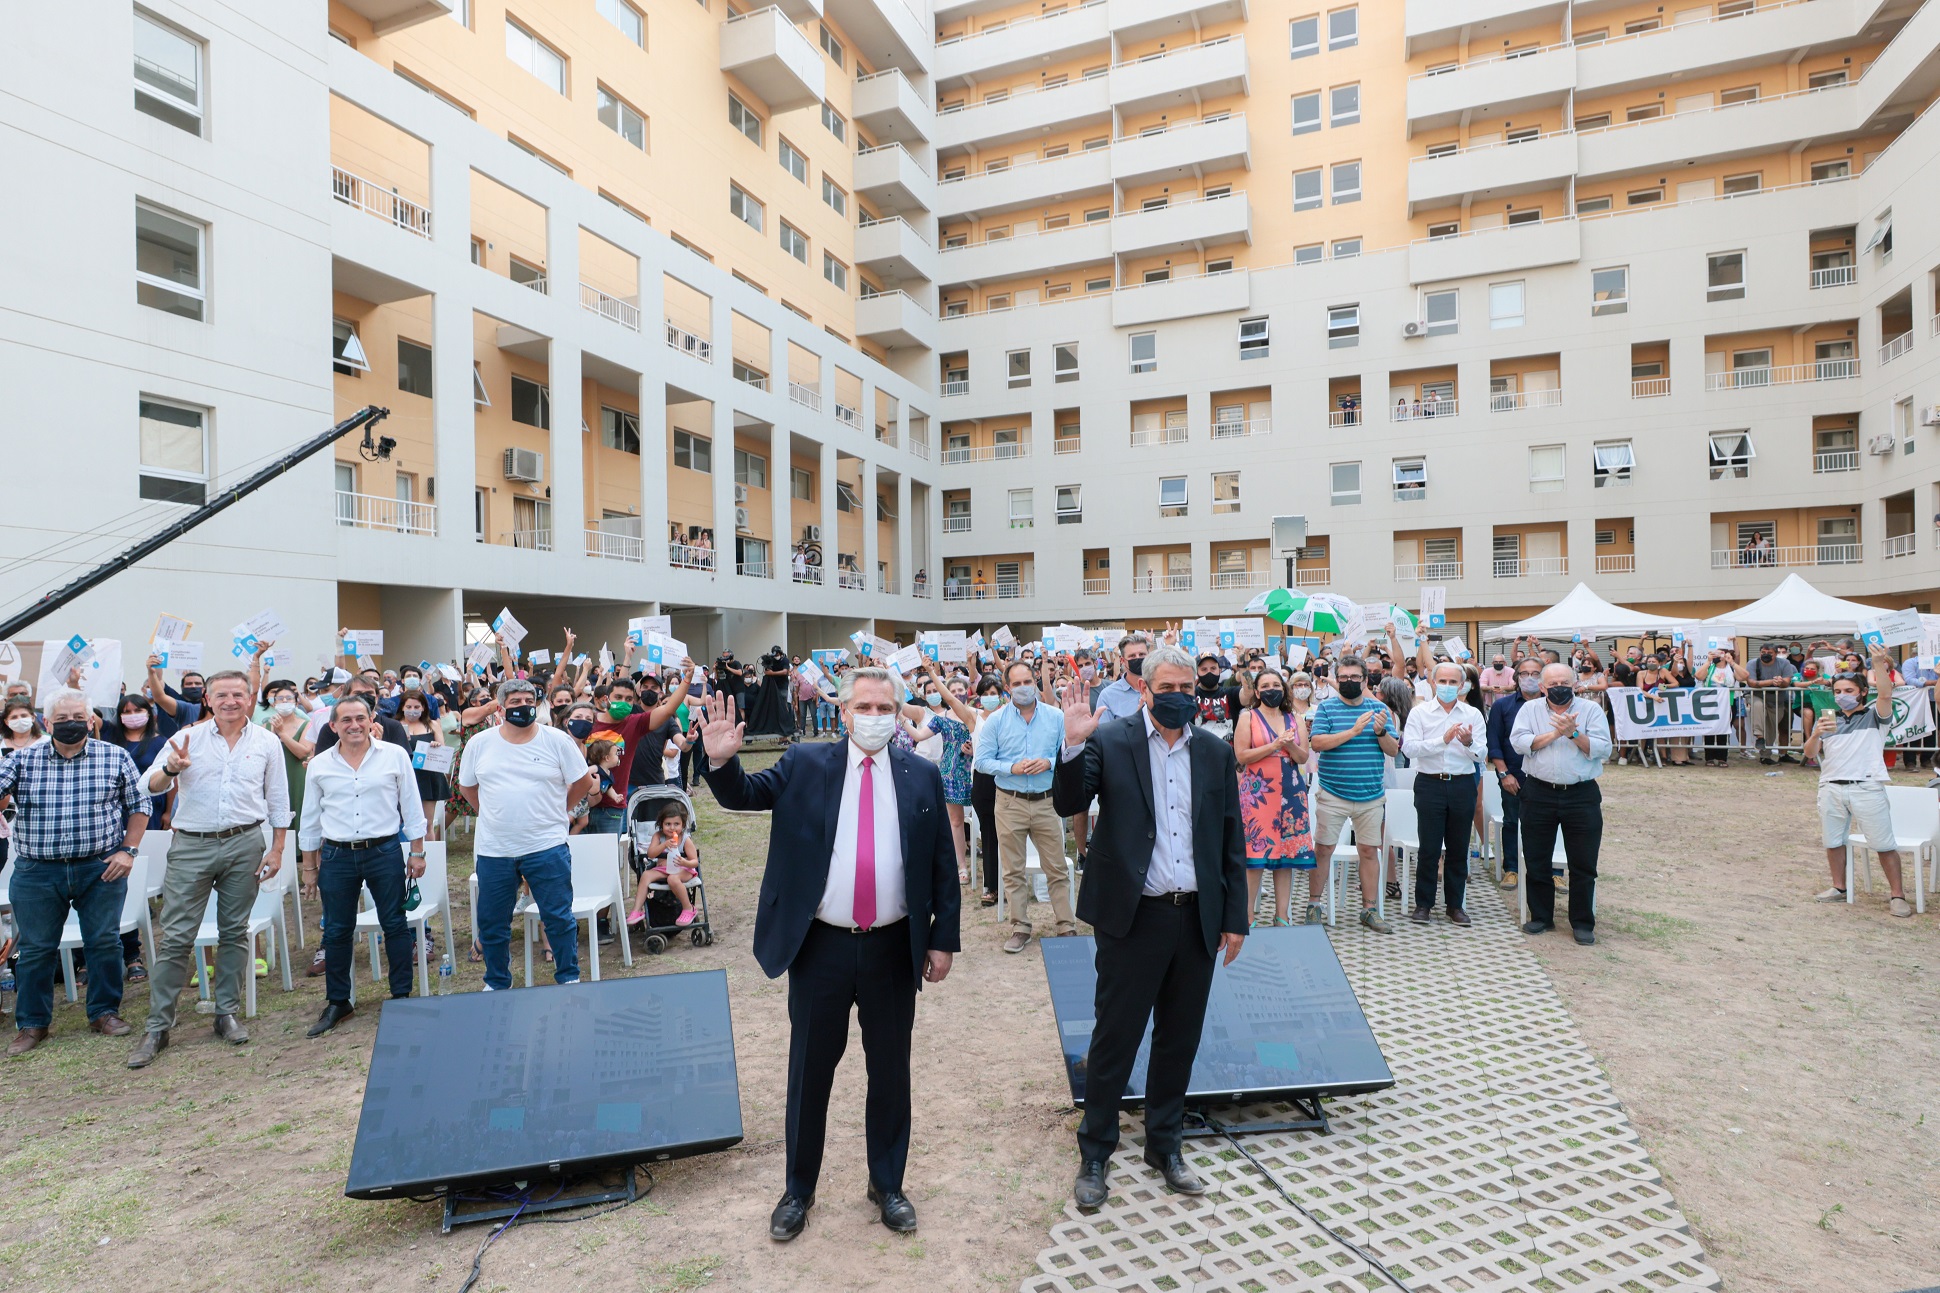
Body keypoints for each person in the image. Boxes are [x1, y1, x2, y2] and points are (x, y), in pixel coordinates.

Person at [697, 668, 959, 1240]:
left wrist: (943, 939)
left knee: (890, 1071)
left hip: (894, 947)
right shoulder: (805, 763)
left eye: (885, 706)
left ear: (898, 711)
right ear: (843, 713)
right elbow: (746, 796)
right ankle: (798, 1190)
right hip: (822, 948)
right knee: (810, 1072)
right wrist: (720, 762)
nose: (875, 715)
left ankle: (887, 1184)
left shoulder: (922, 775)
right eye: (863, 705)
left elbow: (942, 862)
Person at [1054, 645, 1246, 1209]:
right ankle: (1095, 1153)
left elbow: (1229, 837)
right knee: (1115, 1038)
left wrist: (1234, 917)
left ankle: (1165, 1145)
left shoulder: (1212, 751)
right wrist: (1071, 741)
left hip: (1196, 919)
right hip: (1133, 918)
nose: (1180, 698)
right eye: (1168, 688)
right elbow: (1069, 798)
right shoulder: (1111, 741)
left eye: (1188, 689)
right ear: (1143, 688)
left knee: (1179, 1038)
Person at [126, 670, 289, 1067]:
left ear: (250, 699)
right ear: (208, 700)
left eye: (238, 694)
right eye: (222, 695)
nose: (230, 700)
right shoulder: (187, 738)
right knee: (177, 936)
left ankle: (226, 1013)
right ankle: (158, 1026)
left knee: (235, 932)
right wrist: (172, 769)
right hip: (192, 845)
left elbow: (278, 800)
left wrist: (278, 848)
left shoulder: (267, 742)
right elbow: (149, 785)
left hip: (245, 843)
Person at [0, 689, 151, 1056]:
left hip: (99, 867)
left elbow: (139, 805)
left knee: (103, 942)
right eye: (62, 719)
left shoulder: (114, 757)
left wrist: (129, 851)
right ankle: (33, 1023)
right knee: (36, 950)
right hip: (38, 871)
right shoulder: (22, 759)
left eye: (78, 717)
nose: (72, 724)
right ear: (46, 723)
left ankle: (103, 1012)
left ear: (92, 720)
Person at [296, 694, 428, 1037]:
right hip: (337, 856)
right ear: (333, 726)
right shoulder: (321, 764)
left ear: (372, 721)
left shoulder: (394, 756)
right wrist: (309, 867)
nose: (354, 725)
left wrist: (417, 851)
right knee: (337, 930)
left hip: (383, 851)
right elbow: (310, 818)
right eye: (346, 720)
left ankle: (401, 996)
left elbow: (411, 805)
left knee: (395, 925)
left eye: (360, 718)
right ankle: (339, 1002)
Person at [458, 678, 595, 990]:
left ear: (536, 704)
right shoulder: (480, 743)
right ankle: (496, 982)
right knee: (493, 923)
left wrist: (561, 810)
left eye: (528, 701)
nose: (522, 707)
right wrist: (491, 812)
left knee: (558, 918)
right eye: (515, 702)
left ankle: (568, 977)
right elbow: (467, 786)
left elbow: (583, 781)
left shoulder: (556, 740)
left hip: (546, 846)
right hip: (495, 849)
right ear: (501, 707)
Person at [1805, 646, 1913, 916]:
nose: (1842, 697)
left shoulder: (1875, 716)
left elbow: (1887, 693)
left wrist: (1878, 663)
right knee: (1833, 840)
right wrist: (1816, 734)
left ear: (1863, 692)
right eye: (1838, 692)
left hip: (1866, 786)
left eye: (1849, 691)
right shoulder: (1828, 720)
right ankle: (1839, 888)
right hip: (1830, 786)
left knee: (1883, 844)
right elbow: (1809, 754)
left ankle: (1897, 895)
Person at [1510, 663, 1613, 945]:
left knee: (1583, 862)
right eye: (1553, 683)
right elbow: (1519, 743)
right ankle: (1541, 917)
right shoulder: (1530, 711)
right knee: (1536, 858)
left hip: (1581, 794)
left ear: (1576, 684)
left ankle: (1581, 922)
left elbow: (1603, 749)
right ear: (1542, 687)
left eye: (1565, 683)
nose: (1559, 688)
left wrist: (1575, 734)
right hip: (1538, 792)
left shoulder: (1590, 710)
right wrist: (1557, 733)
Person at [976, 658, 1072, 954]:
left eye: (1027, 682)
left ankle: (1066, 926)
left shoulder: (1056, 717)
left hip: (1046, 802)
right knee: (1013, 870)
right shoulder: (996, 720)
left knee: (1056, 867)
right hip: (1010, 802)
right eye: (1016, 684)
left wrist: (1049, 762)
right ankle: (1020, 926)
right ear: (1007, 688)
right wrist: (1011, 767)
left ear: (1036, 683)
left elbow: (1070, 752)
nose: (1022, 688)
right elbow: (982, 761)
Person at [1307, 655, 1400, 933]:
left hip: (1370, 795)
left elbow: (1393, 750)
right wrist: (1354, 731)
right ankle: (1314, 905)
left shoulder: (1378, 708)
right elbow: (1318, 742)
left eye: (1355, 678)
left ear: (1364, 679)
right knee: (1323, 850)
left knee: (1369, 851)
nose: (1349, 682)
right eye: (1344, 677)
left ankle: (1369, 909)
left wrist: (1380, 730)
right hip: (1333, 794)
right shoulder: (1326, 708)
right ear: (1338, 678)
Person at [1404, 662, 1490, 926]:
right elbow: (1409, 748)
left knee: (1458, 846)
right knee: (1429, 847)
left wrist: (1467, 742)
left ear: (1462, 685)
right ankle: (1423, 905)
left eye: (1454, 682)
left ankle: (1455, 905)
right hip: (1430, 784)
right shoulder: (1420, 713)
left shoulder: (1473, 714)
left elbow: (1482, 754)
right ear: (1432, 682)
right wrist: (1442, 740)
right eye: (1443, 681)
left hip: (1462, 783)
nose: (1448, 687)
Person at [1233, 668, 1315, 926]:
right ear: (1257, 692)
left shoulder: (1295, 718)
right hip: (1258, 793)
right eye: (1266, 685)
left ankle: (1282, 915)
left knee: (1286, 857)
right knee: (1254, 857)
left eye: (1277, 685)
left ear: (1284, 689)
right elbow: (1241, 756)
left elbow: (1303, 757)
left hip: (1291, 793)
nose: (1272, 690)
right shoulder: (1248, 717)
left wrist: (1288, 745)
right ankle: (1246, 916)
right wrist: (1274, 746)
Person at [1487, 658, 1549, 892]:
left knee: (1547, 824)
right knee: (1512, 822)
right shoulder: (1502, 707)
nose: (1530, 678)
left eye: (1535, 673)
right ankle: (1511, 868)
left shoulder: (1554, 706)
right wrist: (1504, 774)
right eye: (1524, 674)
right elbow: (1494, 743)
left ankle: (1551, 870)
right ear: (1516, 678)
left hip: (1546, 777)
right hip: (1513, 776)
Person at [626, 800, 699, 927]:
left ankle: (688, 908)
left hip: (683, 870)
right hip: (663, 869)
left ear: (682, 825)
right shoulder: (658, 836)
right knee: (646, 875)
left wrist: (685, 862)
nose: (672, 828)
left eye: (676, 824)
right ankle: (637, 910)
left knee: (673, 879)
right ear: (661, 824)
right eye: (668, 824)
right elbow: (651, 854)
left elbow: (695, 861)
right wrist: (664, 845)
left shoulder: (685, 840)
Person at [1748, 643, 1799, 765]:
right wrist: (1771, 681)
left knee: (1772, 728)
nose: (1766, 655)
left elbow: (1787, 682)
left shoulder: (1785, 664)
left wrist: (1780, 682)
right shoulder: (1753, 663)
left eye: (1769, 653)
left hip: (1778, 700)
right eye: (1763, 653)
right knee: (1757, 706)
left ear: (1775, 654)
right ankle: (1759, 735)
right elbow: (1751, 683)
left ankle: (1770, 755)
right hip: (1758, 696)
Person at [1094, 632, 1151, 720]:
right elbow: (1104, 732)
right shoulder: (1108, 695)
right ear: (1122, 661)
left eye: (1142, 654)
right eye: (1132, 656)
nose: (1138, 658)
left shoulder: (1161, 689)